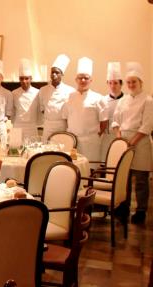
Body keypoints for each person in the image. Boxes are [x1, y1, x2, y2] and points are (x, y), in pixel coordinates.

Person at [111, 62, 153, 224]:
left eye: (134, 81)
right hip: (124, 141)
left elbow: (147, 125)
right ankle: (124, 206)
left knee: (141, 180)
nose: (130, 85)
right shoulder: (123, 100)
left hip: (140, 143)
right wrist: (121, 139)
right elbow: (116, 121)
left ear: (140, 82)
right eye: (128, 82)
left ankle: (141, 210)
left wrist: (131, 143)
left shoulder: (148, 100)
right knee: (125, 177)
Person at [61, 57, 108, 165]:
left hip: (91, 141)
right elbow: (65, 118)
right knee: (74, 168)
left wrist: (96, 135)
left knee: (91, 168)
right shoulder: (69, 97)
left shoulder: (98, 98)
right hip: (73, 141)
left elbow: (104, 121)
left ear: (91, 80)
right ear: (76, 80)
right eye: (80, 78)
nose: (83, 80)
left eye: (86, 78)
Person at [39, 54, 76, 142]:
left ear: (62, 74)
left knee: (60, 150)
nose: (54, 75)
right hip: (48, 125)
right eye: (52, 72)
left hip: (61, 125)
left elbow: (71, 111)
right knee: (46, 149)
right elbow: (42, 108)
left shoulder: (70, 91)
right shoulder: (43, 90)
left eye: (57, 72)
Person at [11, 59, 41, 140]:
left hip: (32, 127)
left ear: (31, 78)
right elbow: (12, 111)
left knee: (32, 150)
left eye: (26, 78)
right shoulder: (14, 93)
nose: (24, 81)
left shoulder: (38, 93)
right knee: (15, 150)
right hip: (17, 126)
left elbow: (39, 110)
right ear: (19, 79)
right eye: (21, 78)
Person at [101, 62, 123, 160]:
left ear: (121, 84)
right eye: (110, 83)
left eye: (115, 83)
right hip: (106, 138)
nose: (113, 86)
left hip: (121, 137)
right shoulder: (102, 100)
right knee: (105, 163)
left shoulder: (126, 100)